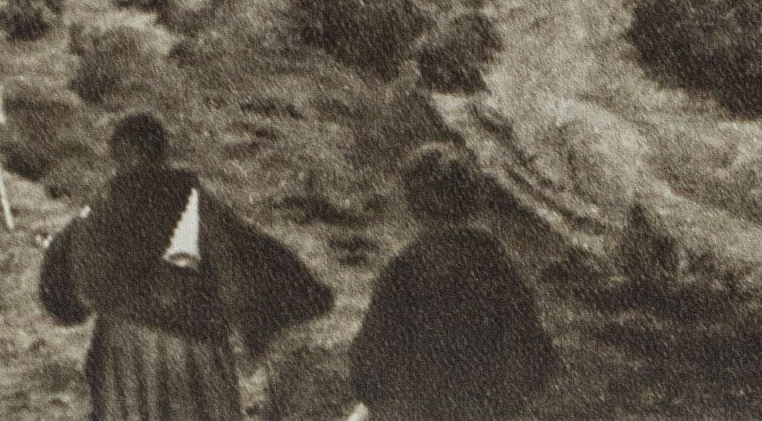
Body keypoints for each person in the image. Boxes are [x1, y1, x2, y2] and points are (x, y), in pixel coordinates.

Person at [40, 114, 332, 421]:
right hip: (192, 349)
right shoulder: (194, 199)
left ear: (122, 152)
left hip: (123, 351)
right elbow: (238, 261)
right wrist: (253, 333)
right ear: (161, 153)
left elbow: (71, 279)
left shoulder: (101, 204)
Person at [349, 143, 556, 421]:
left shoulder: (406, 269)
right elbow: (533, 354)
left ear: (413, 205)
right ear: (472, 200)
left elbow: (368, 365)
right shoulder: (499, 266)